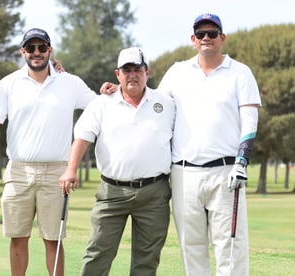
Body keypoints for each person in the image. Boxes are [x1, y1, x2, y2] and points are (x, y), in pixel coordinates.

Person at [101, 13, 261, 276]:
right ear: (193, 39)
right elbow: (151, 103)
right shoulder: (177, 72)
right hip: (184, 173)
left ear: (222, 38)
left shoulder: (240, 73)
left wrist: (242, 161)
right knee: (192, 248)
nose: (206, 38)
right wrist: (118, 89)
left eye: (212, 33)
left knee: (230, 247)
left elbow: (249, 120)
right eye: (201, 34)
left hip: (227, 172)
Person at [0, 28, 97, 276]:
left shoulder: (69, 82)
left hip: (56, 172)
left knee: (53, 239)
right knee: (18, 237)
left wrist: (113, 91)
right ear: (23, 52)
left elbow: (97, 107)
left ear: (50, 50)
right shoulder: (9, 83)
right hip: (19, 170)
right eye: (31, 48)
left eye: (41, 48)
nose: (36, 53)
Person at [59, 47, 175, 275]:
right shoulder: (102, 104)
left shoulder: (166, 103)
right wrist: (70, 170)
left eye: (137, 70)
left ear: (147, 72)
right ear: (117, 74)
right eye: (127, 70)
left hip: (154, 193)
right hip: (112, 193)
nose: (133, 75)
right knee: (98, 253)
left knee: (147, 259)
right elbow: (82, 137)